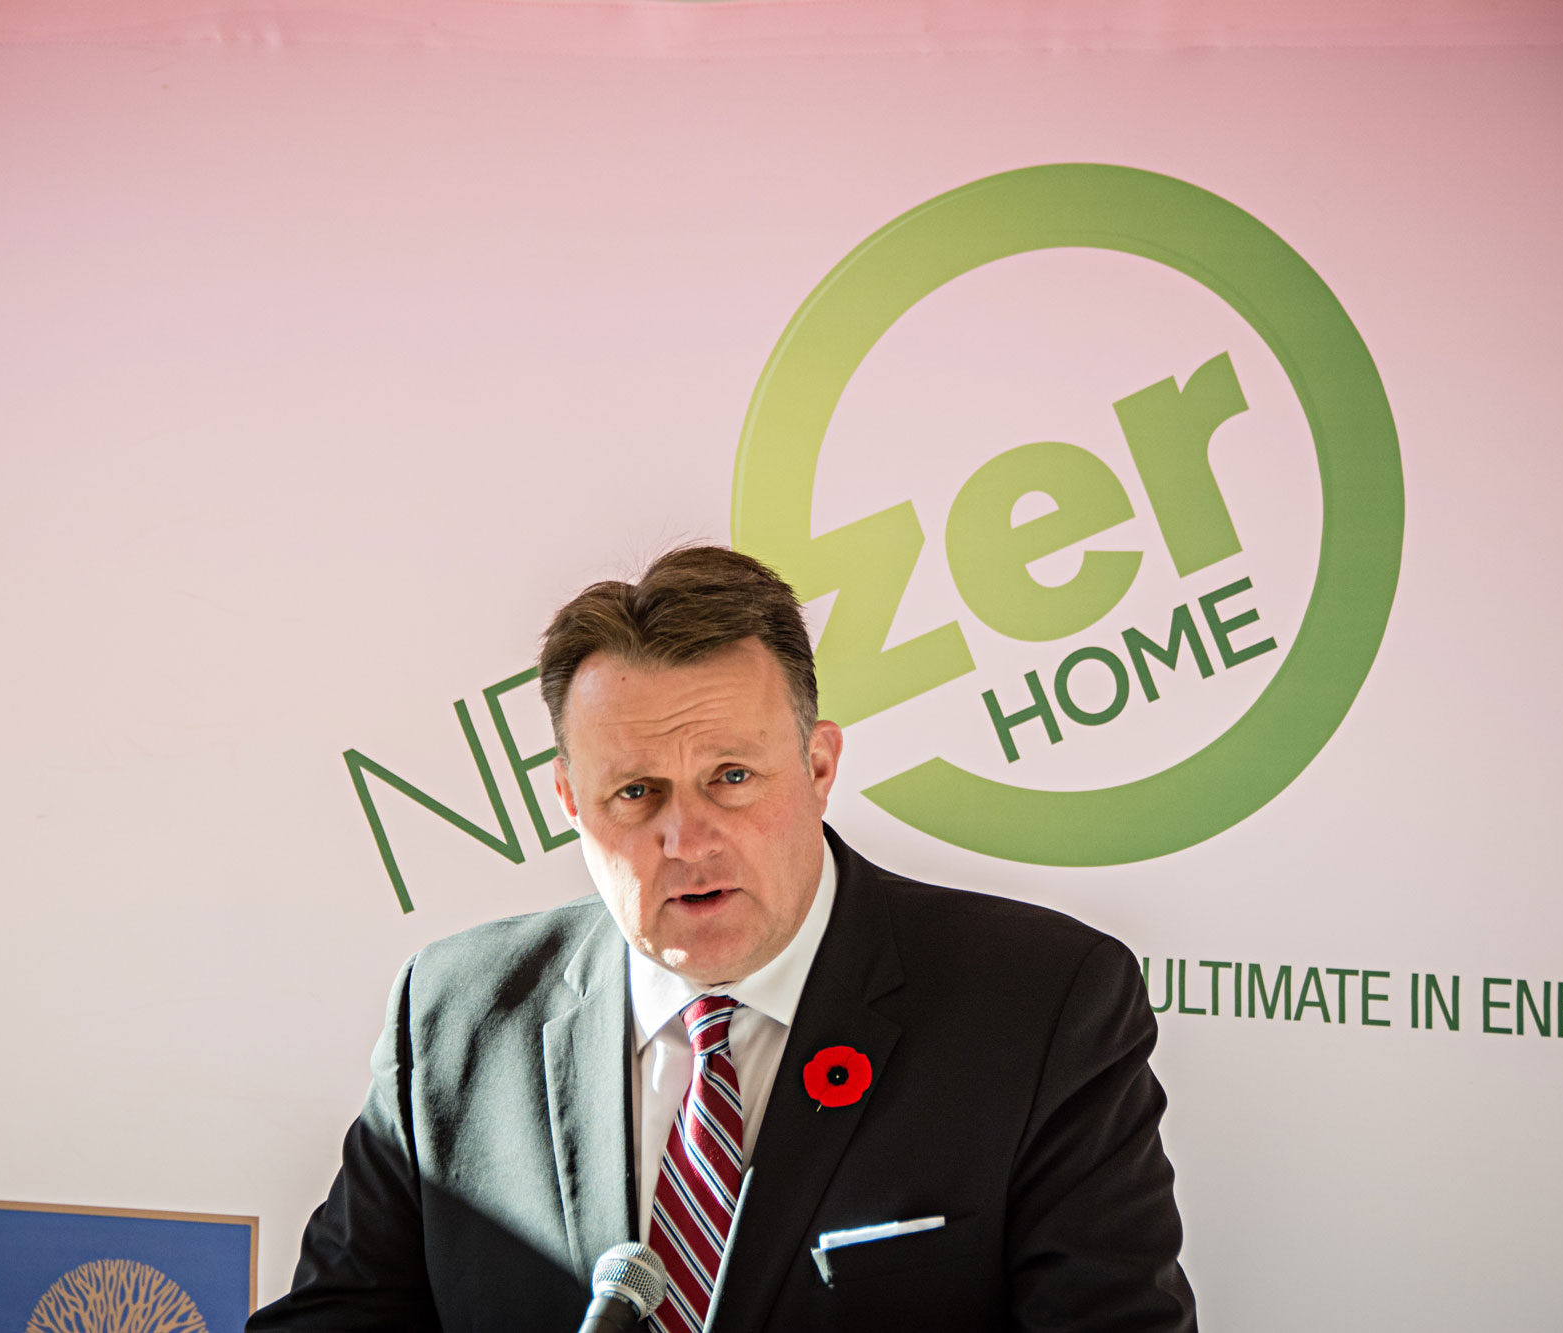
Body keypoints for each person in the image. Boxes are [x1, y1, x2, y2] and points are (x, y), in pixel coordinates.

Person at [248, 545, 1196, 1332]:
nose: (688, 840)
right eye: (636, 793)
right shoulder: (454, 1014)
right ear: (571, 801)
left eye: (732, 777)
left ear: (818, 765)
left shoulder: (1040, 1006)